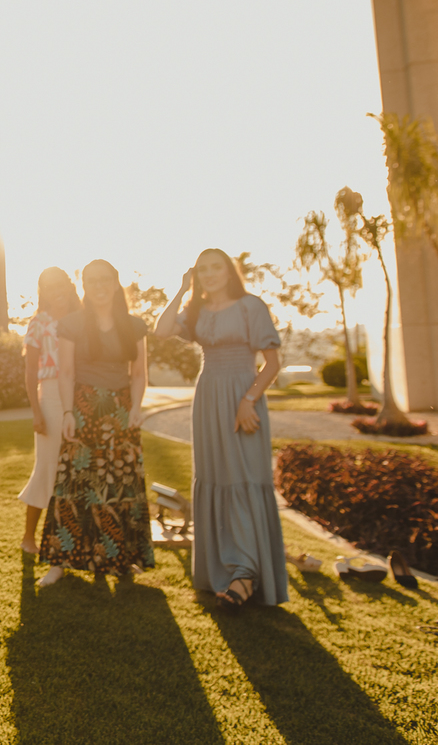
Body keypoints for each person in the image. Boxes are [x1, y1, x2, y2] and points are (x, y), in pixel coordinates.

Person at [154, 248, 287, 610]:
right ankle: (225, 571)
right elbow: (161, 330)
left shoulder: (250, 307)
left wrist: (248, 400)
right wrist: (182, 289)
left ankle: (246, 574)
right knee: (215, 477)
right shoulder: (195, 311)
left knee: (243, 478)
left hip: (243, 396)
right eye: (202, 270)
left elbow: (273, 362)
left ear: (229, 271)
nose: (210, 274)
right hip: (209, 397)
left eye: (216, 267)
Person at [38, 259, 153, 587]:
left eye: (105, 280)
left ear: (116, 283)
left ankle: (120, 558)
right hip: (84, 407)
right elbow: (67, 372)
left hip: (121, 410)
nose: (99, 286)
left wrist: (136, 407)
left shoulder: (134, 325)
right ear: (84, 285)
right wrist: (68, 412)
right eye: (92, 280)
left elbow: (140, 373)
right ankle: (60, 562)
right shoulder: (72, 324)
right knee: (74, 483)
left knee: (120, 485)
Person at [18, 267, 80, 554]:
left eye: (62, 285)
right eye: (50, 287)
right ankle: (29, 537)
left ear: (69, 287)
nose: (58, 292)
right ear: (44, 292)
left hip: (82, 393)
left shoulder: (82, 320)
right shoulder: (38, 324)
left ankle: (74, 537)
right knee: (47, 467)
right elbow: (30, 372)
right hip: (51, 395)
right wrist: (36, 412)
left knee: (77, 469)